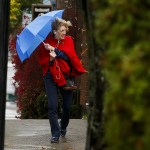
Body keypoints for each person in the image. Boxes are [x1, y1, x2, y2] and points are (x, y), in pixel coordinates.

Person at [37, 17, 86, 143]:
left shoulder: (69, 40)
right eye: (62, 30)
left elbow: (70, 58)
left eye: (65, 30)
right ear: (55, 31)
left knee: (67, 107)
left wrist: (55, 51)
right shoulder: (46, 43)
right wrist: (51, 59)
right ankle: (55, 133)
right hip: (50, 76)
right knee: (53, 106)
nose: (64, 33)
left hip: (66, 76)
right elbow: (43, 62)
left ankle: (63, 127)